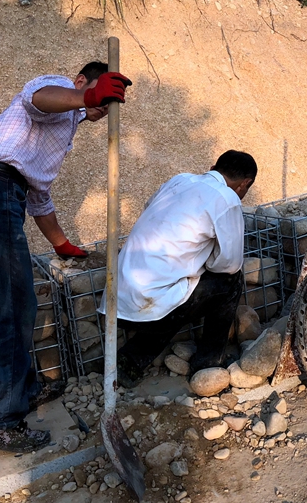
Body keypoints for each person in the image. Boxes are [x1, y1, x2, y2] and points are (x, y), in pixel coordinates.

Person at [0, 63, 132, 452]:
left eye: (109, 103)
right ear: (82, 81)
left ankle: (23, 391)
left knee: (1, 305)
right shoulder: (58, 90)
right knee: (8, 308)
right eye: (102, 94)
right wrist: (86, 97)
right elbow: (36, 100)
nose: (103, 107)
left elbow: (38, 196)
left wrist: (62, 243)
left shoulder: (63, 129)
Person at [108, 150, 257, 389]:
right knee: (230, 282)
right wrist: (206, 263)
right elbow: (230, 264)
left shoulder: (179, 180)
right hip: (150, 308)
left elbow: (149, 207)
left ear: (212, 167)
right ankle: (207, 363)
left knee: (177, 288)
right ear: (245, 184)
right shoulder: (227, 198)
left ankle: (129, 362)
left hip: (116, 300)